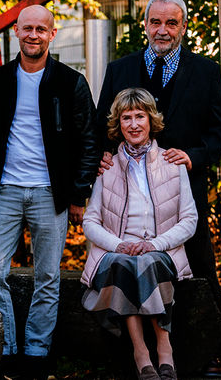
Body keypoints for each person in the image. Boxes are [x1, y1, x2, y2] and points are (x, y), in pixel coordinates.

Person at [96, 0, 221, 376]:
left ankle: (213, 348)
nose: (163, 30)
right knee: (135, 261)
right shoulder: (120, 69)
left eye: (172, 23)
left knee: (200, 264)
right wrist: (104, 156)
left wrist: (194, 155)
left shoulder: (205, 70)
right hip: (130, 190)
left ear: (184, 27)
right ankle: (135, 354)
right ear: (145, 25)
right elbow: (101, 126)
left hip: (182, 187)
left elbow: (220, 131)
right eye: (156, 22)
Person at [0, 4, 100, 379]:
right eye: (26, 28)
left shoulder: (70, 81)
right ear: (16, 31)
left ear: (52, 34)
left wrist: (79, 193)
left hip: (52, 192)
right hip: (7, 190)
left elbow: (89, 140)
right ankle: (7, 346)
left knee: (47, 275)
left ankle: (36, 350)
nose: (33, 35)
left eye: (40, 29)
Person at [81, 88, 197, 380]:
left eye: (139, 116)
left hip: (161, 251)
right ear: (118, 124)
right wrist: (119, 245)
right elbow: (90, 222)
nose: (133, 124)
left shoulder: (172, 163)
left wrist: (154, 244)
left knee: (145, 262)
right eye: (126, 118)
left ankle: (163, 346)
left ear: (151, 120)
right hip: (116, 252)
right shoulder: (106, 167)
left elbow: (189, 219)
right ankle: (141, 352)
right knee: (125, 264)